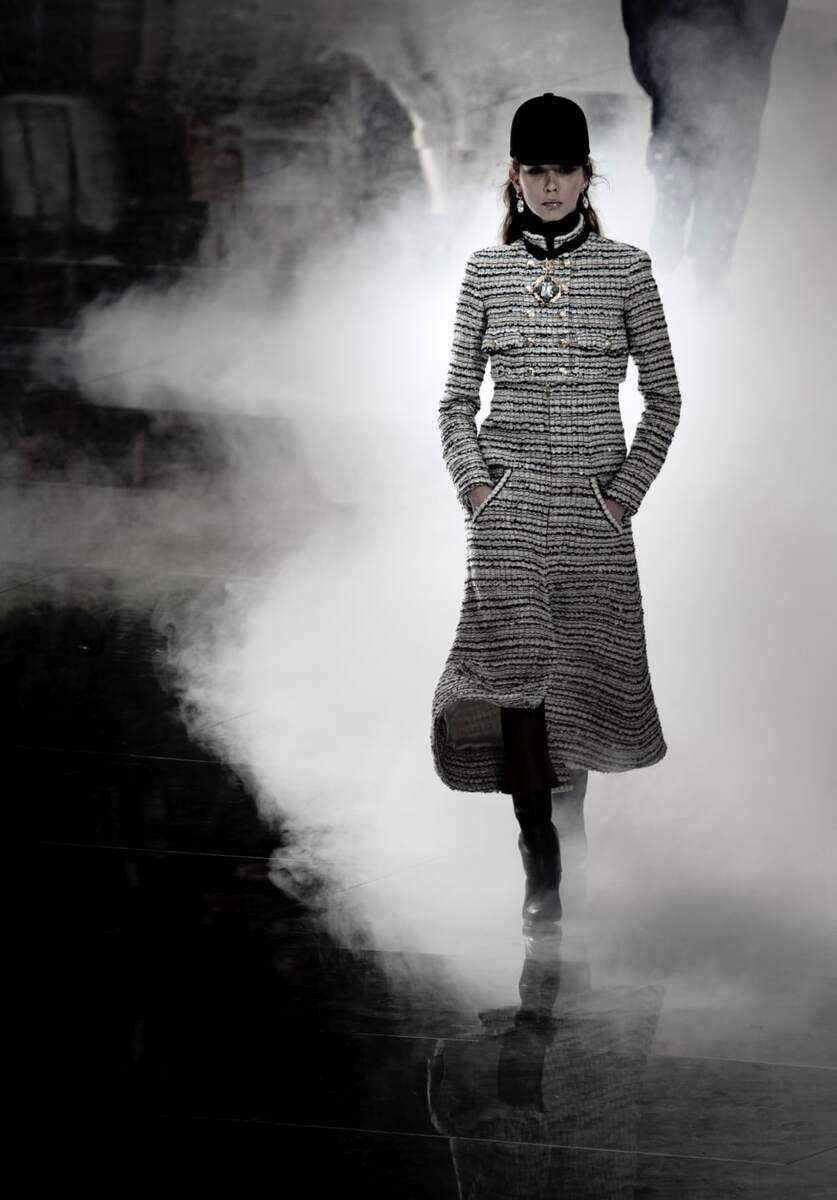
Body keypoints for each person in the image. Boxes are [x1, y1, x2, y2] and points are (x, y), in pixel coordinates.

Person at [430, 94, 682, 932]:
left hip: (591, 510)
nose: (548, 186)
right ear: (514, 176)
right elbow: (453, 402)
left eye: (562, 171)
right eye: (534, 171)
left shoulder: (627, 270)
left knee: (578, 681)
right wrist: (477, 491)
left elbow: (665, 398)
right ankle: (539, 859)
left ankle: (565, 832)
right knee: (516, 681)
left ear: (585, 176)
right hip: (506, 510)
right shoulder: (485, 273)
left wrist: (622, 496)